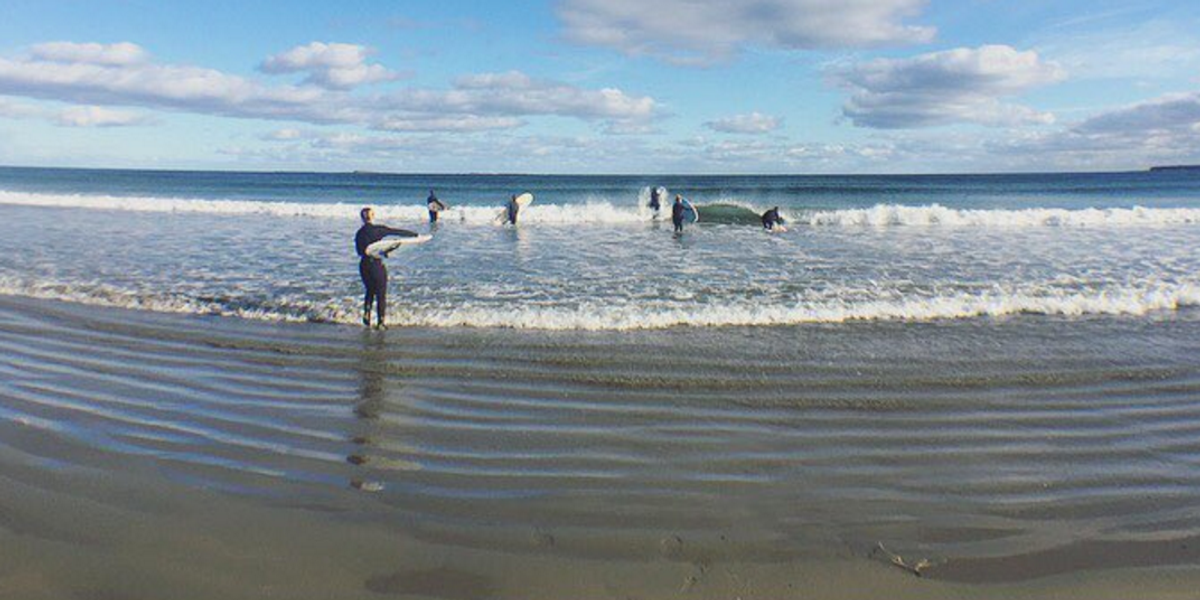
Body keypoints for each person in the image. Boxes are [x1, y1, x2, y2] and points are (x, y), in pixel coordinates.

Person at [354, 207, 418, 330]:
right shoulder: (378, 230)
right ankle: (381, 322)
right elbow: (396, 232)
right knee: (381, 293)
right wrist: (414, 235)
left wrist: (385, 250)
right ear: (372, 216)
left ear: (362, 217)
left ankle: (366, 313)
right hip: (376, 265)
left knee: (369, 290)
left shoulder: (359, 233)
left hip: (364, 265)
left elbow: (360, 252)